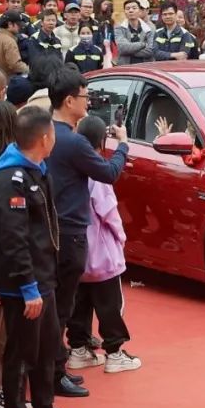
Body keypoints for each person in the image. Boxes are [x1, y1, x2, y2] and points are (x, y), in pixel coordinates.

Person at [0, 106, 88, 408]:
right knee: (20, 352)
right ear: (45, 138)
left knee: (47, 346)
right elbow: (14, 239)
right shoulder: (10, 178)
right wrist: (28, 287)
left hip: (44, 277)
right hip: (22, 285)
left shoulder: (36, 169)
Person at [47, 71, 130, 396]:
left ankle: (61, 365)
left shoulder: (47, 133)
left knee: (66, 304)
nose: (89, 102)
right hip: (73, 234)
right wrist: (122, 146)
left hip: (52, 229)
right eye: (85, 96)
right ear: (69, 101)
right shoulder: (72, 141)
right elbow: (108, 174)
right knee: (65, 307)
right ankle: (55, 374)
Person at [68, 116, 139, 373]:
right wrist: (120, 238)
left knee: (80, 302)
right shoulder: (97, 173)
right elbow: (109, 213)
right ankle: (114, 353)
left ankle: (78, 349)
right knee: (110, 305)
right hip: (102, 253)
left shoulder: (69, 168)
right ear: (101, 142)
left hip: (77, 250)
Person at [0, 11, 30, 76]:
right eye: (18, 25)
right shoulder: (10, 41)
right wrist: (29, 69)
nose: (20, 27)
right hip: (4, 80)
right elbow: (15, 65)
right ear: (10, 24)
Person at [114, 0, 153, 65]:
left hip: (146, 68)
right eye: (128, 8)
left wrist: (128, 52)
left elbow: (151, 50)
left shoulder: (150, 28)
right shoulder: (119, 28)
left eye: (134, 8)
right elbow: (122, 48)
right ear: (125, 12)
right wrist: (143, 44)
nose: (131, 10)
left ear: (139, 11)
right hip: (125, 68)